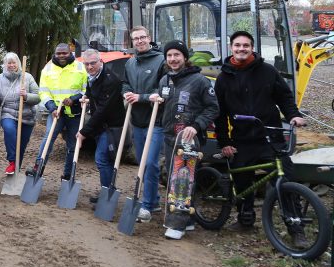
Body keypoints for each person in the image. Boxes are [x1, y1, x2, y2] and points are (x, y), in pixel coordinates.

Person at [214, 31, 307, 244]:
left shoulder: (268, 71)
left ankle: (296, 227)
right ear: (231, 48)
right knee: (242, 181)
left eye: (246, 45)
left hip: (270, 136)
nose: (241, 49)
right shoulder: (223, 78)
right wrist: (225, 142)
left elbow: (284, 97)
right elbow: (219, 115)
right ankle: (245, 219)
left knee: (285, 179)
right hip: (241, 139)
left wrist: (294, 115)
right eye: (237, 45)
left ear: (252, 48)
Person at [148, 40, 218, 240]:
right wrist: (156, 100)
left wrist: (195, 126)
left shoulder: (200, 81)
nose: (173, 59)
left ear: (185, 58)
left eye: (177, 55)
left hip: (189, 140)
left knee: (182, 179)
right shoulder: (165, 80)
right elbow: (164, 105)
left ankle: (177, 225)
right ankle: (187, 220)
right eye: (169, 56)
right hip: (171, 137)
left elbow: (213, 108)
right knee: (176, 177)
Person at [121, 26, 166, 222]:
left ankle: (147, 205)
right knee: (143, 163)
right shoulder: (130, 63)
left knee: (150, 162)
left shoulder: (161, 61)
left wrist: (143, 97)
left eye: (142, 37)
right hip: (137, 121)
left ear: (149, 38)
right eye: (135, 39)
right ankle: (154, 200)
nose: (139, 41)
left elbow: (163, 89)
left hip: (156, 120)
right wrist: (127, 93)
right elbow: (125, 84)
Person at [77, 48, 125, 200]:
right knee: (106, 159)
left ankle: (107, 193)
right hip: (101, 125)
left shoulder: (111, 80)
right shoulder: (92, 76)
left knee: (101, 158)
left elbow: (103, 110)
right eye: (86, 64)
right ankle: (108, 190)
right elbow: (91, 91)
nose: (90, 67)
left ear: (100, 61)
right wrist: (87, 96)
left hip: (111, 126)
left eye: (93, 63)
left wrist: (84, 132)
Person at [35, 43, 88, 180]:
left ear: (70, 52)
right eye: (58, 53)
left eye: (64, 53)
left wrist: (74, 99)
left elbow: (86, 89)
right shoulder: (47, 68)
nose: (61, 56)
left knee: (73, 145)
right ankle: (38, 170)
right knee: (48, 140)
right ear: (55, 53)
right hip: (56, 112)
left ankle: (68, 175)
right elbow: (44, 91)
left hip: (75, 113)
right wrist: (51, 107)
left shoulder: (80, 67)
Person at [0, 52, 41, 175]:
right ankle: (12, 162)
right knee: (9, 130)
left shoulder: (27, 77)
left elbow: (38, 97)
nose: (11, 65)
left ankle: (16, 168)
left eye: (14, 62)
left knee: (21, 145)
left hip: (27, 115)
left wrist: (26, 96)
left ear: (18, 64)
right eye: (9, 63)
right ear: (4, 64)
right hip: (8, 113)